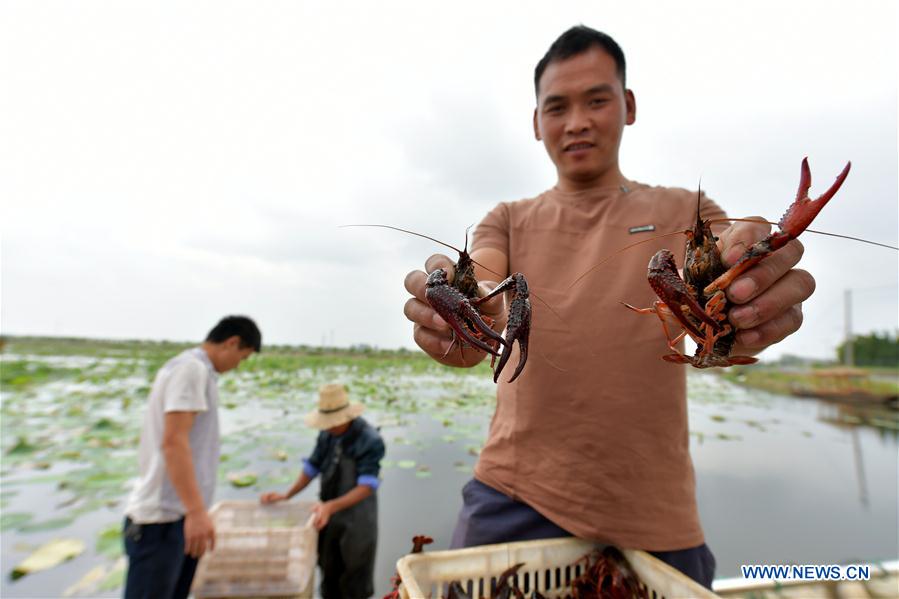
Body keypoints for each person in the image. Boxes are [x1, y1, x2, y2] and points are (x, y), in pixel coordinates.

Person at [402, 26, 816, 589]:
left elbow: (731, 249)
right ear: (536, 122)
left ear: (629, 106)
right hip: (514, 491)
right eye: (557, 107)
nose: (577, 121)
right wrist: (461, 310)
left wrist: (752, 283)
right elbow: (490, 281)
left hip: (655, 510)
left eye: (596, 100)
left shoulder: (688, 209)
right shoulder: (506, 219)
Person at [122, 315, 261, 599]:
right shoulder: (191, 369)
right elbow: (174, 442)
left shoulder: (195, 369)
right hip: (162, 520)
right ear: (231, 342)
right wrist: (197, 512)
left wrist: (195, 512)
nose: (238, 365)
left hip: (178, 516)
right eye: (243, 357)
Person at [260, 383, 385, 599]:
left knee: (355, 572)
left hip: (358, 517)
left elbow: (366, 486)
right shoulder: (327, 435)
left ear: (347, 416)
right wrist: (287, 495)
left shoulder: (370, 440)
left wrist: (330, 507)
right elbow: (312, 466)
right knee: (328, 568)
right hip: (328, 514)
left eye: (333, 423)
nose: (329, 427)